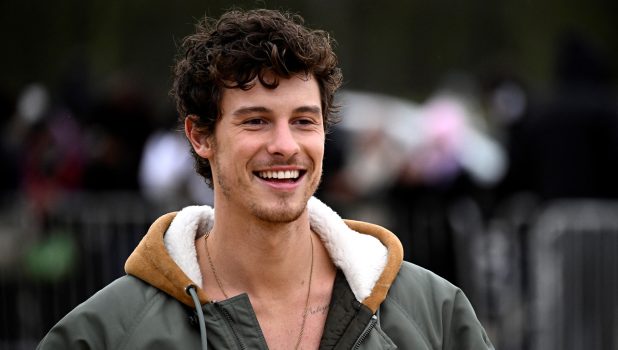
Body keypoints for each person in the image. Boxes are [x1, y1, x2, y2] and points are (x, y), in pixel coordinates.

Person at [38, 8, 494, 349]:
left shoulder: (433, 313)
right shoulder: (104, 334)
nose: (285, 145)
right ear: (200, 136)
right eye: (256, 121)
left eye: (303, 121)